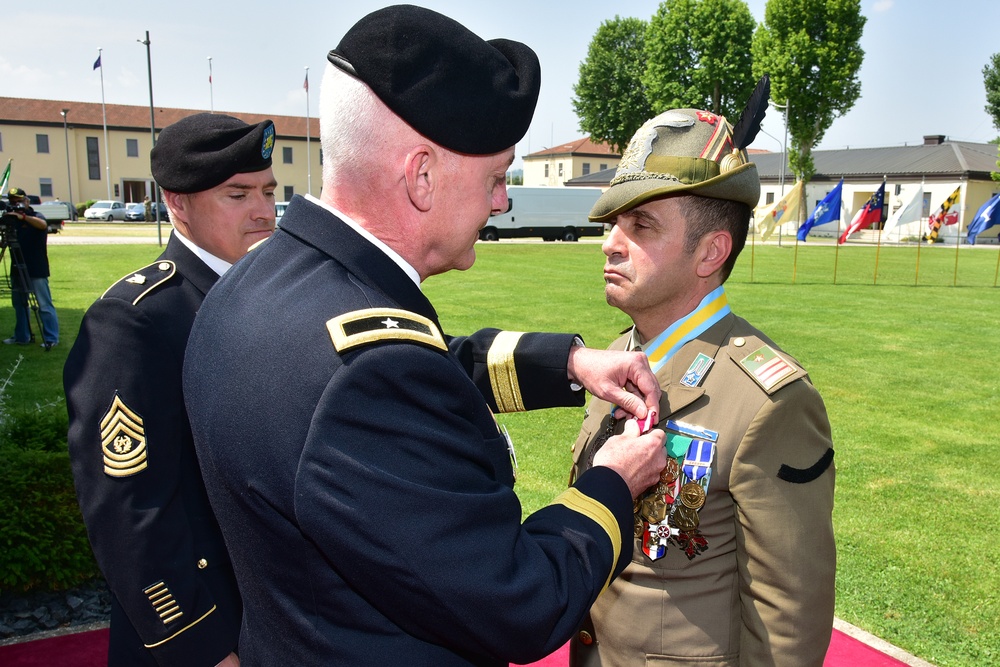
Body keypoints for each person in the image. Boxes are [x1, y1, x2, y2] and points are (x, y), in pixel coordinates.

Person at [182, 6, 668, 666]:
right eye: (496, 178)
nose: (502, 202)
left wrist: (570, 362)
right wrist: (612, 481)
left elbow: (424, 365)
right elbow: (521, 599)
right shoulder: (369, 373)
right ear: (421, 175)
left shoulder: (256, 285)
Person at [568, 107, 837, 666]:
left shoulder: (768, 401)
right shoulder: (617, 357)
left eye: (641, 227)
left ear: (711, 251)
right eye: (612, 224)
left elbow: (787, 614)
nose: (610, 244)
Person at [64, 113, 278, 666]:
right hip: (208, 626)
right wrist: (200, 648)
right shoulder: (136, 322)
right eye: (238, 194)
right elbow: (128, 510)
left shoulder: (276, 298)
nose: (263, 211)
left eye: (268, 192)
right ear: (177, 204)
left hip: (280, 617)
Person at [2, 186, 59, 349]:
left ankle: (51, 338)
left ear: (26, 201)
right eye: (13, 202)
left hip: (36, 268)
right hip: (17, 267)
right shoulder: (11, 220)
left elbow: (42, 225)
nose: (16, 205)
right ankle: (21, 336)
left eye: (19, 201)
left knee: (44, 305)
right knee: (19, 304)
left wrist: (23, 217)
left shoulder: (35, 216)